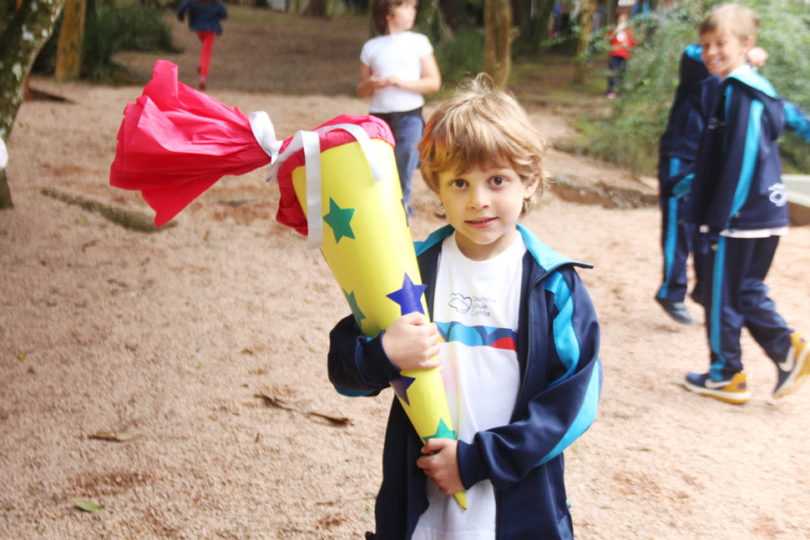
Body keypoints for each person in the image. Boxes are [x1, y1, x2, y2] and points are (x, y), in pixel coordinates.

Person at [328, 75, 602, 539]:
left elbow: (575, 402)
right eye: (459, 182)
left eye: (497, 180)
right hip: (421, 506)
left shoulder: (552, 284)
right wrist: (384, 353)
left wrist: (476, 461)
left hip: (517, 504)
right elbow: (344, 373)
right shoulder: (409, 271)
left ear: (529, 181)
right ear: (437, 187)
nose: (478, 201)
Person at [683, 3, 810, 404]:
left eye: (721, 43)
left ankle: (726, 374)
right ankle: (789, 350)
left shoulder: (742, 93)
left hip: (742, 217)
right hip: (760, 213)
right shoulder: (742, 85)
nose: (711, 52)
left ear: (746, 44)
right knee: (744, 289)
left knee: (721, 294)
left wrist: (721, 217)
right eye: (705, 44)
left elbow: (743, 157)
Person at [655, 43, 768, 325]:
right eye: (712, 43)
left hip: (710, 161)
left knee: (709, 226)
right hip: (681, 154)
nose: (714, 51)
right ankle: (671, 290)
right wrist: (736, 53)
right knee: (679, 225)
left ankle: (704, 291)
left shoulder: (739, 80)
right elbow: (694, 54)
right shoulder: (699, 64)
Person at [357, 0, 441, 217]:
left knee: (405, 158)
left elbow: (433, 82)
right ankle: (380, 206)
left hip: (409, 115)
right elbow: (361, 89)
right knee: (380, 162)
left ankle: (403, 205)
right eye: (406, 7)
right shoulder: (371, 47)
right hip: (378, 116)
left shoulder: (419, 42)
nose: (413, 12)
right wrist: (371, 84)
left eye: (413, 8)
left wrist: (400, 83)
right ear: (388, 13)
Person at [177, 0, 228, 90]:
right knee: (206, 52)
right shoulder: (215, 2)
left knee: (205, 48)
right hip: (210, 29)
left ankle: (202, 64)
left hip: (199, 29)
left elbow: (182, 7)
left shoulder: (194, 1)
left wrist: (181, 17)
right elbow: (224, 14)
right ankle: (203, 77)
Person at [606, 10, 635, 99]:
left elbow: (632, 42)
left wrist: (626, 45)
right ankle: (611, 90)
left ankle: (620, 90)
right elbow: (608, 39)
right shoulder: (613, 29)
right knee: (613, 72)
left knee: (623, 72)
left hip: (624, 54)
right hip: (615, 54)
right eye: (621, 19)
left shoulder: (628, 31)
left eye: (624, 19)